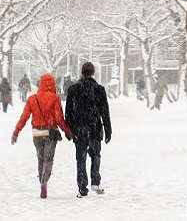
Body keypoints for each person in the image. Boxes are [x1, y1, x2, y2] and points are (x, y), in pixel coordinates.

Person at [11, 73, 73, 199]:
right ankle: (44, 182)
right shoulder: (55, 98)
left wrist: (16, 132)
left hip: (37, 133)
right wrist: (68, 132)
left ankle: (41, 182)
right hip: (50, 133)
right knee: (48, 160)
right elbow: (59, 119)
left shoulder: (32, 99)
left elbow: (24, 117)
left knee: (40, 159)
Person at [65, 62, 112, 198]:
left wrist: (71, 128)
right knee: (95, 156)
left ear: (82, 72)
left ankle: (82, 187)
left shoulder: (73, 89)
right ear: (93, 73)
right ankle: (95, 182)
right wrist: (108, 130)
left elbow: (68, 112)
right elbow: (105, 112)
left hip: (80, 130)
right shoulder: (99, 89)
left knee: (81, 158)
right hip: (95, 128)